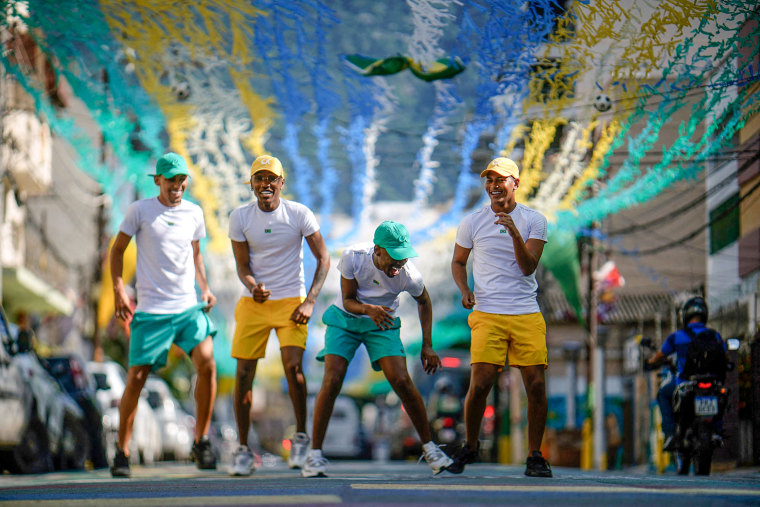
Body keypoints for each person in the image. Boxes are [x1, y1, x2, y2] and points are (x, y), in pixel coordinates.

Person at [301, 221, 453, 478]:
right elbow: (348, 300)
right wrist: (368, 309)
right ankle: (314, 454)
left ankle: (430, 448)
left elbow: (424, 301)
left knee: (401, 380)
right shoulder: (353, 257)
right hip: (347, 320)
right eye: (394, 256)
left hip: (382, 322)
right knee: (333, 377)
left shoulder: (409, 275)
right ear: (378, 250)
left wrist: (427, 345)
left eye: (403, 256)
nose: (399, 263)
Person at [110, 152, 218, 478]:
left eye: (181, 179)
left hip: (187, 307)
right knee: (136, 379)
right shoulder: (140, 211)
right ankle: (122, 451)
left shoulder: (194, 213)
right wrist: (118, 291)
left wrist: (206, 288)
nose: (176, 185)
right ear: (158, 180)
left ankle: (201, 440)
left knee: (207, 363)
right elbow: (117, 250)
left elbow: (196, 255)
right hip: (152, 311)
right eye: (170, 179)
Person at [228, 154, 330, 476]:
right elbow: (242, 265)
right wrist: (252, 284)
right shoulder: (240, 217)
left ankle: (301, 437)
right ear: (252, 184)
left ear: (281, 183)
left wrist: (310, 301)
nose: (265, 184)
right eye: (259, 178)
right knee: (243, 375)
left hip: (292, 302)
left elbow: (324, 259)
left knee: (293, 368)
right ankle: (243, 450)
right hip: (254, 302)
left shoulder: (299, 214)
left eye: (271, 178)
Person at [450, 157, 551, 478]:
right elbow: (457, 262)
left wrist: (513, 233)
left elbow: (528, 266)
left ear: (516, 184)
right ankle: (470, 446)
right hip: (487, 313)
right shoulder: (472, 222)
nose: (494, 186)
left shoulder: (535, 221)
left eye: (501, 180)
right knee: (480, 384)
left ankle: (535, 456)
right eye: (489, 181)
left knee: (535, 385)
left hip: (526, 313)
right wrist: (464, 289)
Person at [647, 296, 727, 450]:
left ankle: (670, 434)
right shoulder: (714, 335)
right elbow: (726, 356)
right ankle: (717, 431)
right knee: (720, 397)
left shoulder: (677, 337)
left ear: (685, 316)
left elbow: (659, 356)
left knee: (663, 394)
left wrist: (651, 361)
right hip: (712, 381)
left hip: (685, 382)